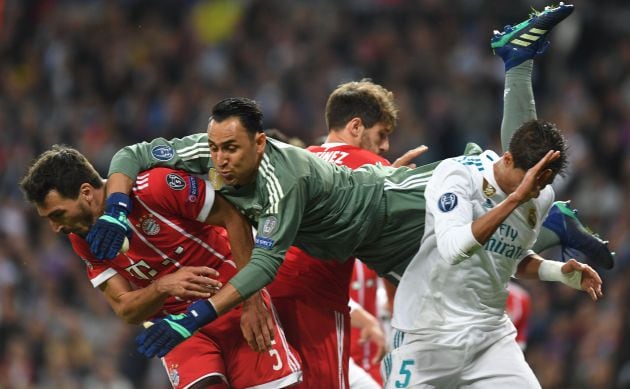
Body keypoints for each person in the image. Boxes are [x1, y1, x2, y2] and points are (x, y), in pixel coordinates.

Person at [19, 146, 302, 389]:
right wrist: (162, 286)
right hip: (179, 329)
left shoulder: (156, 187)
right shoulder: (83, 240)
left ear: (86, 193)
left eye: (57, 214)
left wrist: (253, 301)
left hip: (234, 304)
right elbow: (125, 308)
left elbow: (234, 217)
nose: (55, 227)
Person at [383, 119, 603, 388]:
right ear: (507, 159)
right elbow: (454, 248)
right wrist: (513, 200)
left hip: (489, 338)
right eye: (529, 183)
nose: (533, 192)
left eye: (540, 186)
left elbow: (508, 259)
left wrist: (556, 272)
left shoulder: (541, 196)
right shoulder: (459, 175)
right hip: (426, 334)